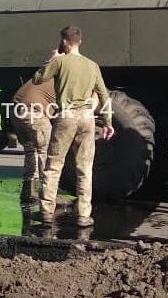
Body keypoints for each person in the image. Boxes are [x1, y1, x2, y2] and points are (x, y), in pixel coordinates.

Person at [32, 26, 115, 227]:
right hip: (87, 117)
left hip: (66, 116)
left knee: (54, 165)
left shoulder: (60, 61)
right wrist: (108, 122)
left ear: (64, 42)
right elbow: (103, 94)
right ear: (80, 41)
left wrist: (51, 59)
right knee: (85, 168)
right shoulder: (92, 65)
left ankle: (46, 212)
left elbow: (37, 79)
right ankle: (84, 215)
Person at [10, 77, 56, 204]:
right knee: (45, 151)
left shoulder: (43, 77)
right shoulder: (61, 79)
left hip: (15, 111)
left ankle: (28, 191)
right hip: (34, 112)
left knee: (31, 150)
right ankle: (48, 195)